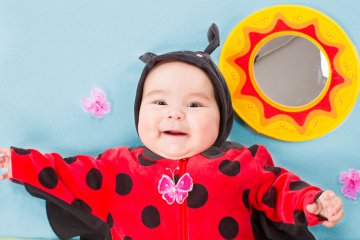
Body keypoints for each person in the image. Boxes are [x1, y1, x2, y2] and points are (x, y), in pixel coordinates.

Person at [0, 24, 343, 240]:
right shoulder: (117, 167)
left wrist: (312, 203)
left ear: (221, 119)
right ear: (139, 114)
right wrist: (16, 163)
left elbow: (279, 190)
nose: (176, 113)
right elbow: (66, 175)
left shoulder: (242, 164)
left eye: (195, 105)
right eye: (159, 102)